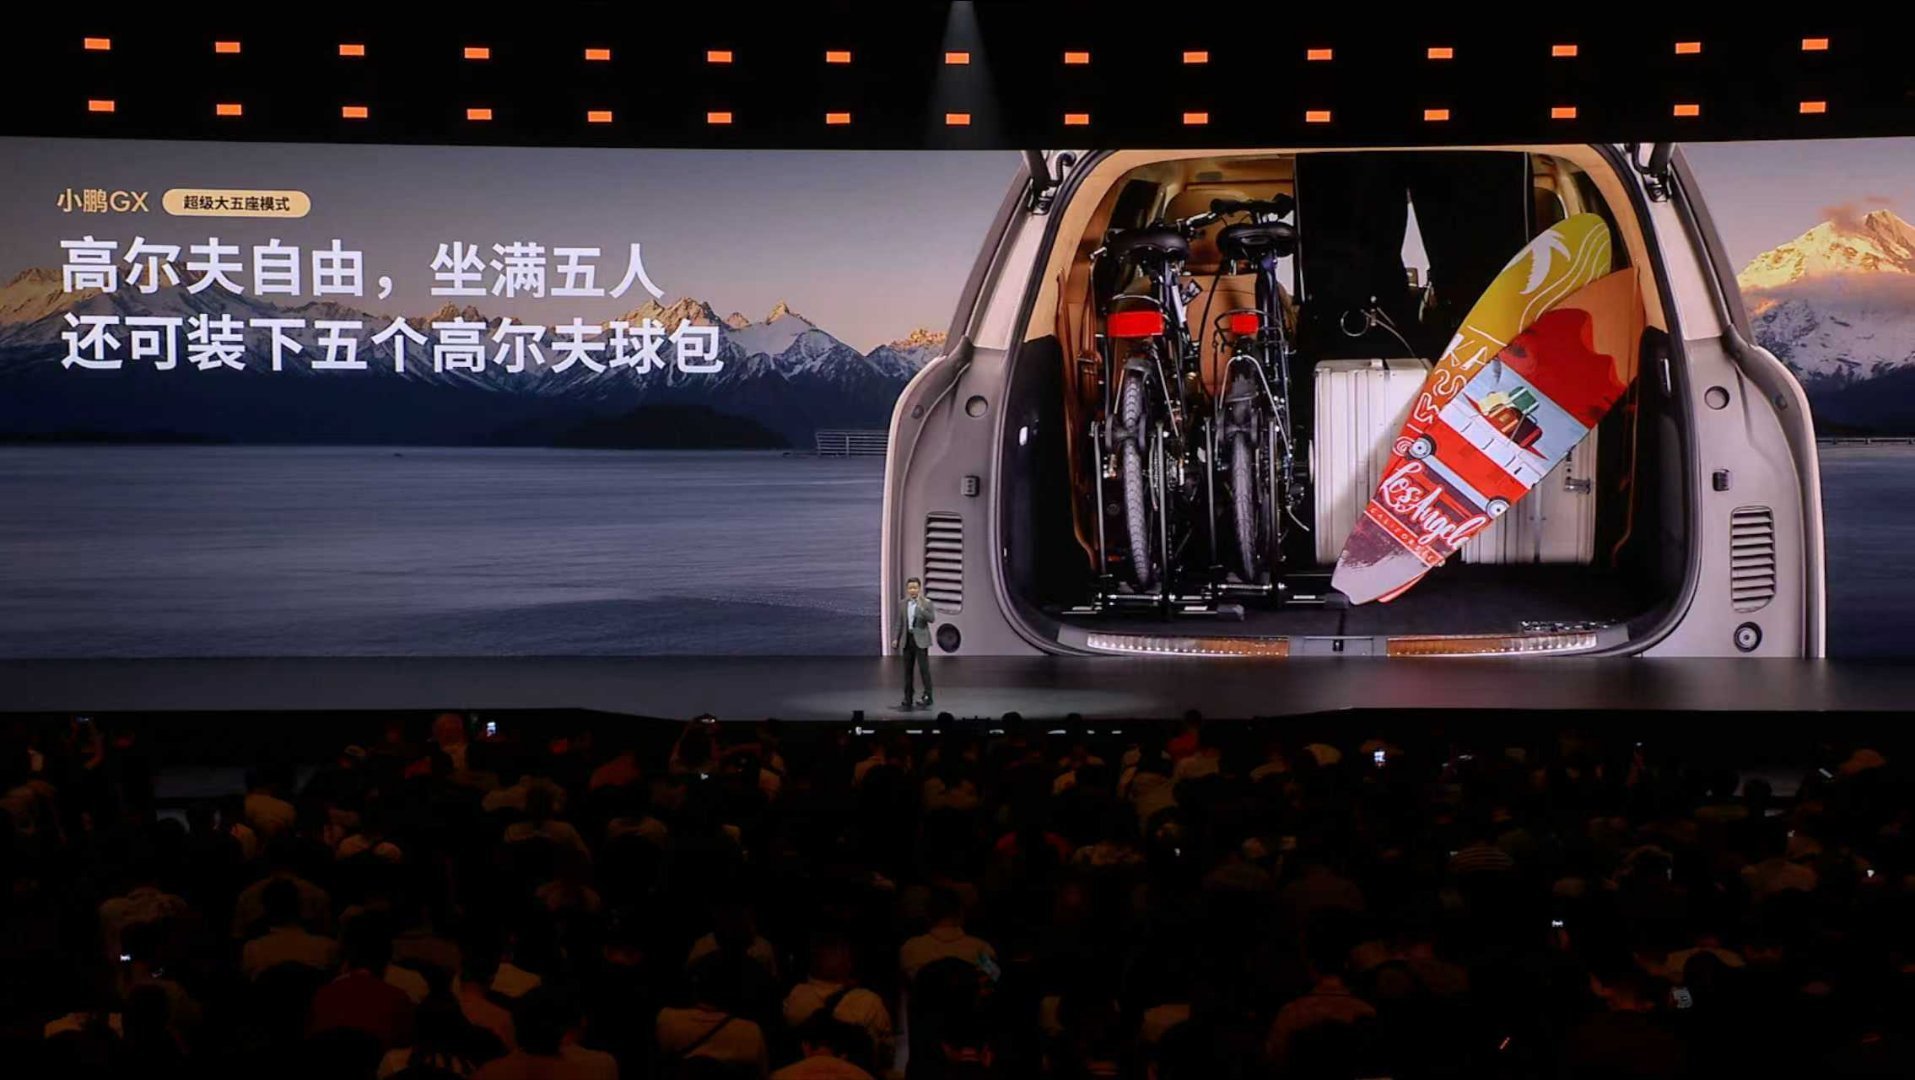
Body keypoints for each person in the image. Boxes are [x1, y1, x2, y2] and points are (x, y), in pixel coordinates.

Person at [894, 576, 938, 709]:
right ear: (907, 589)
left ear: (919, 588)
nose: (912, 590)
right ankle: (908, 697)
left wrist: (921, 610)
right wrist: (896, 638)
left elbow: (932, 619)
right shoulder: (903, 604)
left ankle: (928, 696)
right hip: (907, 639)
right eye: (910, 588)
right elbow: (899, 623)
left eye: (915, 587)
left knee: (924, 670)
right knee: (907, 671)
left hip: (921, 640)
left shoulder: (926, 603)